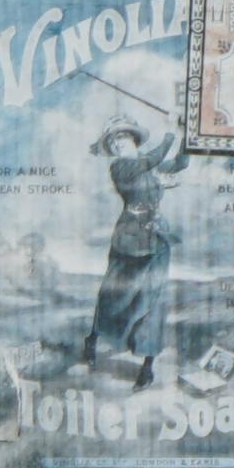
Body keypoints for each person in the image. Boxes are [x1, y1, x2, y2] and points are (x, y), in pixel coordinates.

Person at [77, 116, 182, 382]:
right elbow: (153, 160)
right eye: (112, 142)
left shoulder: (149, 165)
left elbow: (180, 164)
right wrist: (170, 133)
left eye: (120, 138)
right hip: (128, 242)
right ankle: (93, 339)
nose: (116, 145)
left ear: (133, 139)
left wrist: (188, 136)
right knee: (112, 297)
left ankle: (147, 366)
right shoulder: (121, 167)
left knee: (153, 302)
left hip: (156, 240)